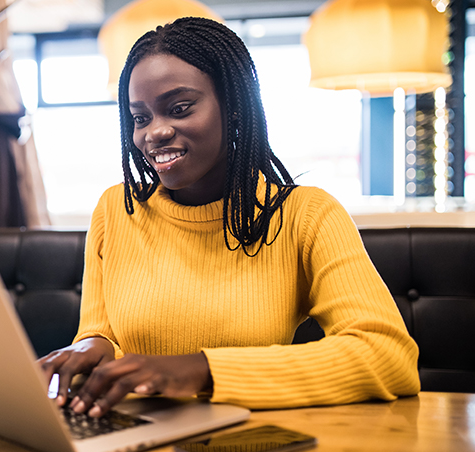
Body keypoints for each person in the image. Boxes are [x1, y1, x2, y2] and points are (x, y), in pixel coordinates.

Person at [39, 17, 420, 418]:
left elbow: (387, 355)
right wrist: (89, 348)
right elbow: (102, 333)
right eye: (140, 117)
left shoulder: (305, 216)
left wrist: (202, 370)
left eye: (179, 108)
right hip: (134, 436)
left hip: (247, 443)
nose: (154, 132)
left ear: (235, 107)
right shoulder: (117, 210)